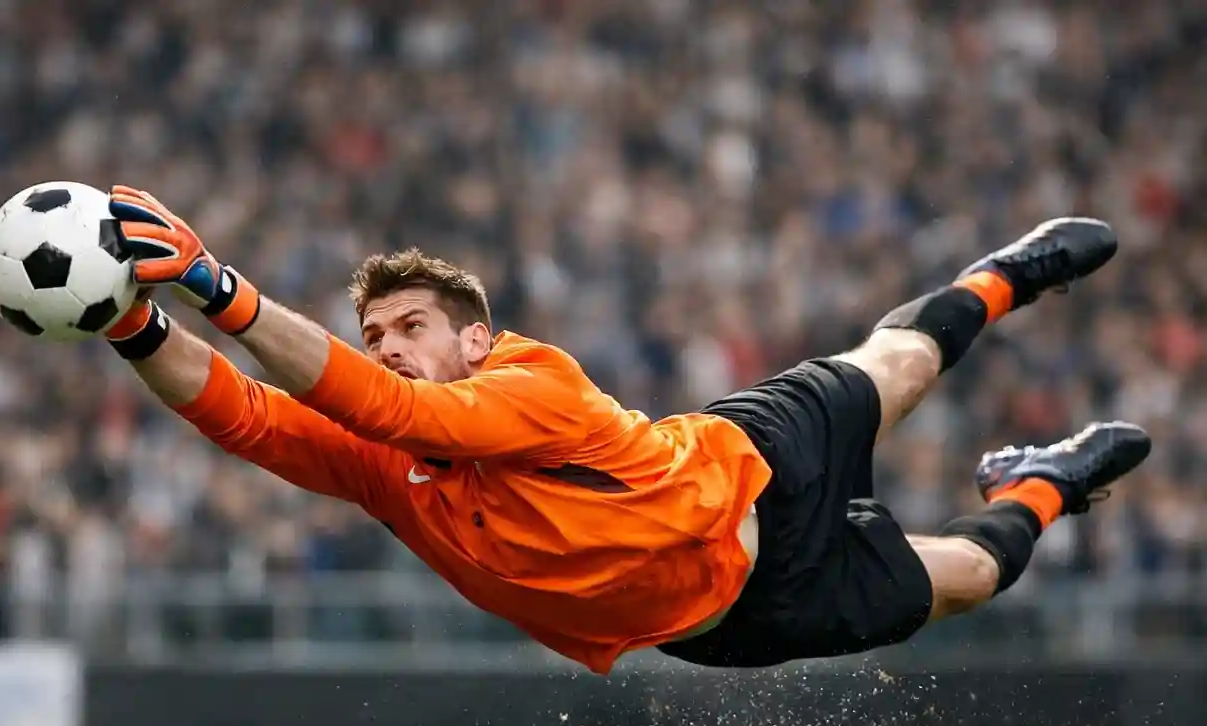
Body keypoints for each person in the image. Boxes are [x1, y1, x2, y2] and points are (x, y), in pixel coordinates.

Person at [92, 185, 1150, 674]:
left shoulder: (528, 379)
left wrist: (216, 288)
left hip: (749, 464)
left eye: (411, 326)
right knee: (970, 576)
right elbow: (253, 418)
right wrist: (135, 322)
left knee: (904, 361)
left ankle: (1006, 274)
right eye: (374, 334)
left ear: (476, 341)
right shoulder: (390, 467)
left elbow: (387, 403)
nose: (388, 344)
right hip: (732, 614)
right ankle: (1041, 481)